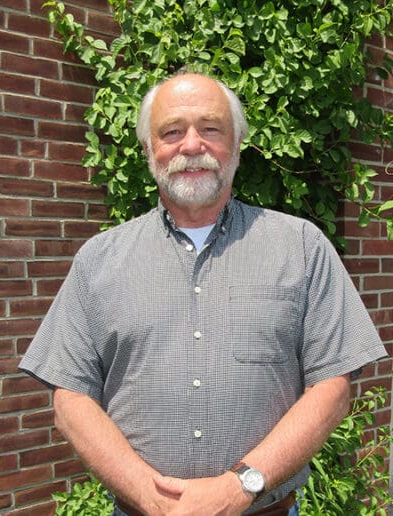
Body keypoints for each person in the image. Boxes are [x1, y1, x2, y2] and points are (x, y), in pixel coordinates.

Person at [20, 73, 387, 516]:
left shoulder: (301, 247)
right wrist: (147, 496)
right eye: (171, 131)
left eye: (211, 129)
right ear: (148, 150)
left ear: (236, 146)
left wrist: (240, 486)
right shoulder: (98, 259)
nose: (191, 145)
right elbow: (70, 397)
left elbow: (332, 387)